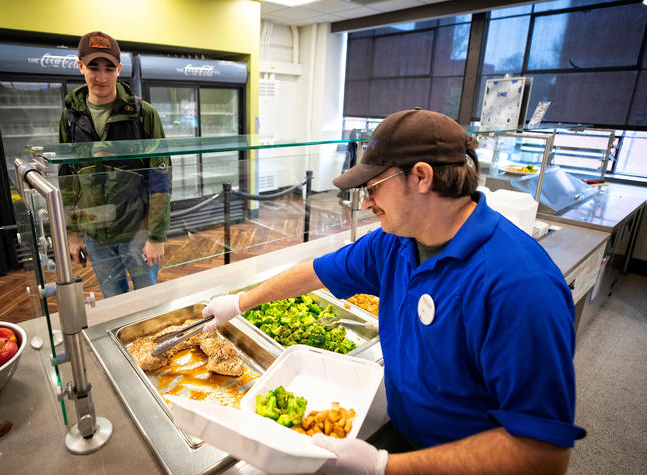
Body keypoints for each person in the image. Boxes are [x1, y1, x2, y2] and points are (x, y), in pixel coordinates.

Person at [202, 108, 585, 474]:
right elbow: (316, 273)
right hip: (405, 438)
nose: (366, 203)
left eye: (373, 188)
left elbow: (542, 454)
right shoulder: (396, 242)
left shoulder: (520, 288)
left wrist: (382, 467)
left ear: (421, 177)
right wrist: (238, 301)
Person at [58, 31, 170, 298]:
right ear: (80, 66)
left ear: (119, 69)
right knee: (113, 304)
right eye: (93, 67)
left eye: (109, 68)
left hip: (137, 231)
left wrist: (157, 235)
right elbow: (67, 178)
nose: (101, 77)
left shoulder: (143, 114)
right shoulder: (71, 117)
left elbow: (160, 178)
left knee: (147, 302)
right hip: (96, 234)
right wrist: (72, 233)